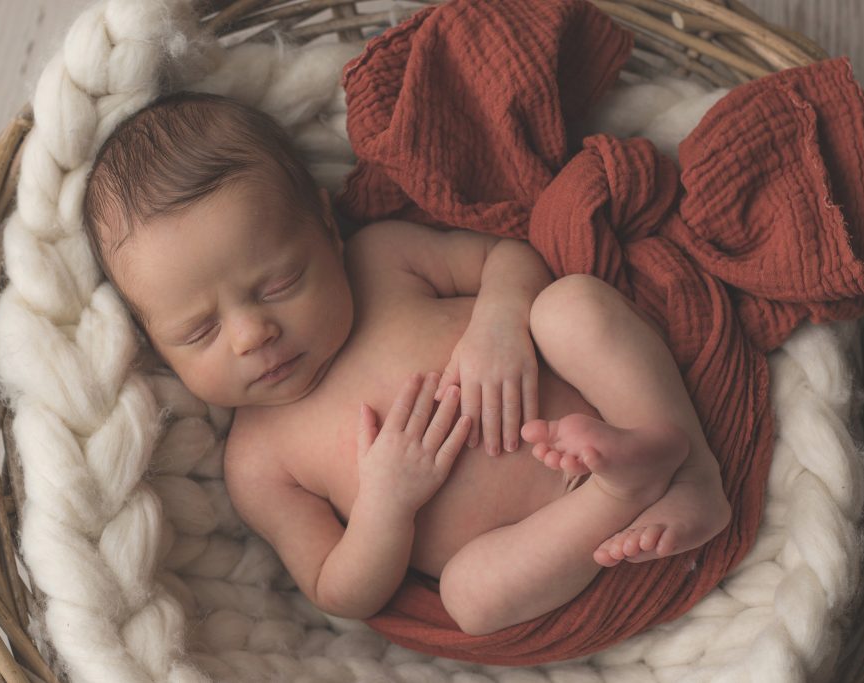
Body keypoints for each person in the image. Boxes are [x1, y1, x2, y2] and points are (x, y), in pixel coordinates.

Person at [83, 92, 731, 636]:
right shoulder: (258, 460)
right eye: (198, 331)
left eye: (278, 283)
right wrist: (385, 507)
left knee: (570, 307)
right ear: (151, 345)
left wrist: (500, 322)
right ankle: (625, 490)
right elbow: (336, 587)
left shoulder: (381, 260)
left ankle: (693, 469)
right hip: (547, 536)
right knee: (469, 596)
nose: (253, 333)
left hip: (608, 408)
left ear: (325, 228)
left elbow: (509, 258)